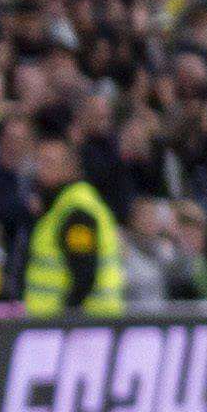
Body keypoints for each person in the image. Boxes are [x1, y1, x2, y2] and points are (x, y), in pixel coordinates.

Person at [19, 135, 124, 316]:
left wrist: (66, 318)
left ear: (70, 168)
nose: (41, 168)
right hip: (64, 323)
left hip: (83, 324)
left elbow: (84, 272)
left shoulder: (77, 210)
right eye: (39, 161)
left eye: (49, 162)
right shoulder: (58, 205)